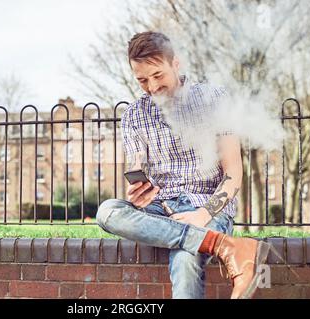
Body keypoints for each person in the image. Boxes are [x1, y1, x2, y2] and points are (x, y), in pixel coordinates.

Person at [96, 31, 270, 299]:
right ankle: (226, 247)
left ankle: (208, 240)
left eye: (158, 76)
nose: (152, 87)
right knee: (107, 212)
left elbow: (234, 172)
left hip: (209, 207)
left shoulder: (214, 99)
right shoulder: (133, 115)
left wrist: (202, 216)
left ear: (176, 63)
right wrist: (140, 193)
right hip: (161, 208)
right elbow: (138, 169)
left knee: (185, 259)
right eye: (142, 80)